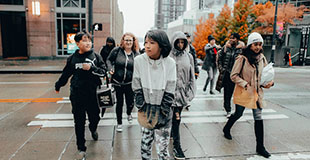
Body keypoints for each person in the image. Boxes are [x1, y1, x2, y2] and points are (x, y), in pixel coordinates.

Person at [55, 31, 106, 159]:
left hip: (93, 94)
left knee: (95, 117)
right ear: (77, 43)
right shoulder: (72, 58)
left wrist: (92, 69)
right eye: (84, 40)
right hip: (77, 94)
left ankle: (93, 128)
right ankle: (81, 148)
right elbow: (66, 74)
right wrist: (58, 85)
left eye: (89, 40)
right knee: (79, 121)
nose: (88, 43)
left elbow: (104, 72)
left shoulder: (96, 56)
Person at [222, 32, 274, 158]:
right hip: (244, 91)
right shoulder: (242, 58)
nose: (258, 47)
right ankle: (226, 128)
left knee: (258, 117)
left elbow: (266, 72)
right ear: (250, 44)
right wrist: (245, 84)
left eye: (260, 44)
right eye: (255, 44)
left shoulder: (262, 57)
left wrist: (269, 83)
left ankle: (260, 147)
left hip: (256, 92)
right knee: (238, 113)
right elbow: (233, 75)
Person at [132, 30, 176, 160]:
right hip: (146, 110)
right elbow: (136, 86)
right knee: (145, 146)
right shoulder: (139, 60)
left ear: (161, 45)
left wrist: (164, 111)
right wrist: (141, 106)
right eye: (145, 42)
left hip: (164, 111)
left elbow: (170, 89)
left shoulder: (170, 63)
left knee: (162, 150)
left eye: (152, 43)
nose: (147, 46)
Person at [169, 31, 196, 160]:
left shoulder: (189, 56)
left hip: (182, 94)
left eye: (182, 42)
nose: (180, 44)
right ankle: (176, 146)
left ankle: (175, 141)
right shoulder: (168, 56)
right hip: (169, 94)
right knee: (175, 120)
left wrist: (190, 93)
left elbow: (192, 76)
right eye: (178, 42)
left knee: (176, 120)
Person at [106, 32, 139, 132]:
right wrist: (110, 68)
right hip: (118, 82)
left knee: (130, 102)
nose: (128, 42)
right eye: (126, 40)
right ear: (123, 41)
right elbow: (108, 60)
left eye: (130, 40)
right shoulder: (116, 51)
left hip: (130, 83)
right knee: (119, 103)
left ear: (133, 42)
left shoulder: (136, 54)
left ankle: (129, 113)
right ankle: (119, 123)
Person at [216, 33, 245, 117]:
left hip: (237, 75)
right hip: (227, 74)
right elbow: (219, 59)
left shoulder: (241, 50)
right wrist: (221, 69)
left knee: (237, 93)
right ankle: (228, 110)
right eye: (230, 38)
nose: (231, 40)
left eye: (233, 38)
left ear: (237, 40)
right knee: (227, 94)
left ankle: (237, 112)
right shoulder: (226, 48)